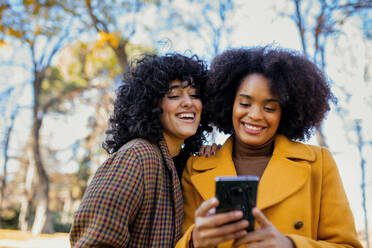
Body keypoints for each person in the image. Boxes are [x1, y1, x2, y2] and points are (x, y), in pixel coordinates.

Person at [176, 46, 362, 248]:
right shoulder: (197, 167)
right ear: (230, 104)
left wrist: (290, 245)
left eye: (269, 108)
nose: (255, 115)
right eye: (245, 104)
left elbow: (348, 245)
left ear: (285, 112)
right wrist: (194, 241)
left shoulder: (320, 163)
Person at [69, 53, 209, 247]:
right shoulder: (136, 157)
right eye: (174, 95)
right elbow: (94, 243)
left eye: (195, 95)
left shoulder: (182, 165)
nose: (188, 102)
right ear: (151, 105)